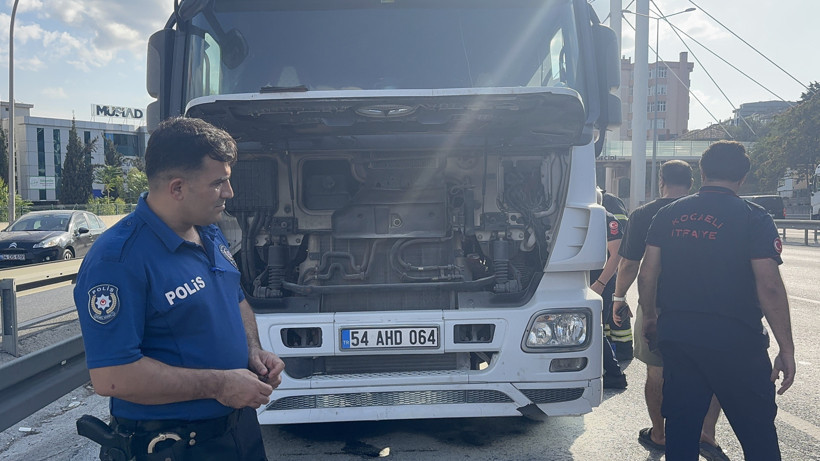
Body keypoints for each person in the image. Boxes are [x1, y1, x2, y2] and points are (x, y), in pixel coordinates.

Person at [74, 117, 284, 461]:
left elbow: (235, 297)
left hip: (237, 429)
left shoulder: (208, 231)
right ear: (177, 188)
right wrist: (221, 384)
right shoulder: (118, 260)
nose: (229, 193)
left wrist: (253, 352)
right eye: (219, 183)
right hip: (172, 445)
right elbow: (113, 378)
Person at [638, 141, 795, 460]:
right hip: (737, 343)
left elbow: (647, 273)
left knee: (681, 431)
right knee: (758, 434)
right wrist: (786, 349)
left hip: (679, 338)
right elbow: (770, 286)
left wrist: (652, 316)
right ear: (743, 177)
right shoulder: (754, 217)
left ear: (702, 171)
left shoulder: (669, 214)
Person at [611, 160, 727, 460]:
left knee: (657, 370)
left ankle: (660, 434)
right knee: (708, 371)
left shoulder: (645, 214)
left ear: (661, 180)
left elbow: (629, 264)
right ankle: (706, 432)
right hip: (706, 307)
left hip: (657, 306)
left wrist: (618, 297)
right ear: (692, 181)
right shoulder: (710, 211)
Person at [592, 189, 627, 389]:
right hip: (587, 279)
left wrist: (601, 283)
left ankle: (615, 375)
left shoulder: (609, 220)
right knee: (592, 329)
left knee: (595, 329)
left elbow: (616, 255)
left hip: (600, 282)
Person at [601, 190, 633, 361]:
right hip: (605, 266)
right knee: (606, 313)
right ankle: (610, 350)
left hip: (613, 264)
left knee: (617, 304)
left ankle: (623, 349)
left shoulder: (610, 202)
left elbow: (624, 237)